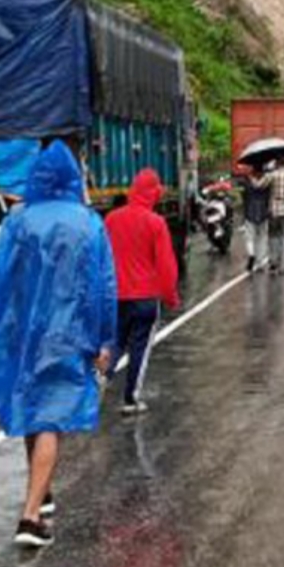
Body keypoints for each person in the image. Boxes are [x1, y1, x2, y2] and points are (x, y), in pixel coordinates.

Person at [0, 142, 117, 549]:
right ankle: (30, 517)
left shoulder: (17, 222)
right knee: (51, 417)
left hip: (18, 334)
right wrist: (104, 338)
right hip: (67, 335)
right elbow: (103, 287)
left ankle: (42, 488)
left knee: (32, 409)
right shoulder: (89, 224)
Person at [104, 169, 181, 414]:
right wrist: (170, 296)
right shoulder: (155, 222)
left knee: (116, 342)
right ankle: (131, 399)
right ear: (153, 193)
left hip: (117, 295)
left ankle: (101, 378)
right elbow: (166, 265)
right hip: (146, 298)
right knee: (139, 348)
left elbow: (102, 258)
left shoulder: (111, 219)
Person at [239, 164, 270, 273]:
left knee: (249, 237)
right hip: (263, 212)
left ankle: (251, 254)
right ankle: (260, 262)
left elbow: (244, 198)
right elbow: (269, 197)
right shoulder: (267, 184)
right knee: (262, 238)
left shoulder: (247, 183)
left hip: (250, 212)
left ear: (253, 172)